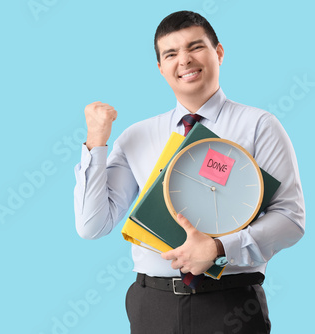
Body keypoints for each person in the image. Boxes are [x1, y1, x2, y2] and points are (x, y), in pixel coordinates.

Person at [73, 10, 305, 334]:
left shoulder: (258, 126)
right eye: (171, 53)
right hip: (152, 306)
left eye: (195, 47)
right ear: (160, 68)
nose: (184, 60)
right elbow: (92, 225)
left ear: (218, 53)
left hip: (231, 304)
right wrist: (95, 143)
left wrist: (219, 249)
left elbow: (291, 219)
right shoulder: (136, 136)